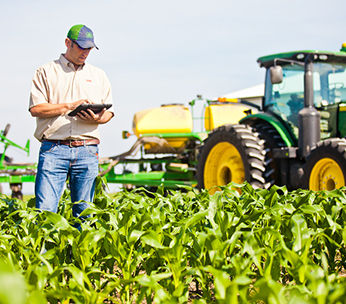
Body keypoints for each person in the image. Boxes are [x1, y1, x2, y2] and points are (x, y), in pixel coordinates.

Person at [29, 24, 114, 218]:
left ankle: (78, 249)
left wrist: (98, 117)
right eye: (81, 47)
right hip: (53, 149)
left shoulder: (99, 76)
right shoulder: (46, 72)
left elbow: (110, 113)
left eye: (89, 48)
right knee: (45, 212)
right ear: (68, 43)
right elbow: (36, 108)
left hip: (87, 149)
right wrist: (69, 106)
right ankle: (44, 249)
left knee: (85, 214)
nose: (86, 52)